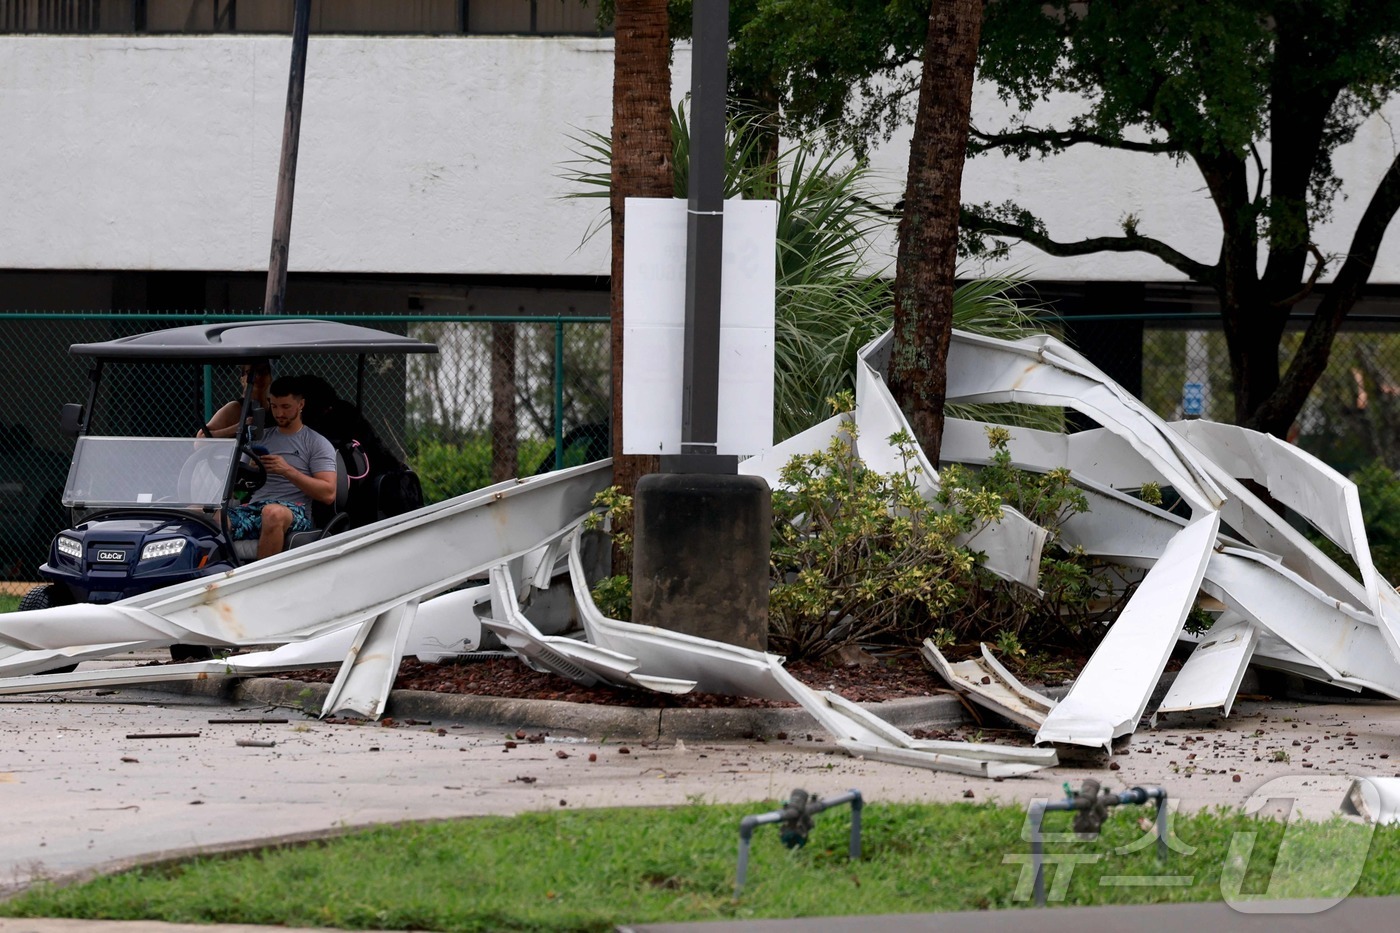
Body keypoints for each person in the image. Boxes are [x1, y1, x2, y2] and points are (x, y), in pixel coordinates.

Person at [226, 377, 338, 559]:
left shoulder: (316, 443)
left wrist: (287, 470)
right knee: (209, 517)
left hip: (294, 511)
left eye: (286, 407)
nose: (279, 413)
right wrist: (251, 470)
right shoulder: (261, 438)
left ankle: (262, 579)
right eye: (274, 406)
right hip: (255, 507)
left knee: (273, 512)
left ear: (301, 404)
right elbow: (238, 485)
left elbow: (328, 493)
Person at [201, 359, 272, 439]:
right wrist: (239, 427)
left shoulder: (276, 407)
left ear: (270, 378)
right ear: (242, 380)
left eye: (263, 372)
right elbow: (201, 438)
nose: (257, 376)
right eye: (250, 373)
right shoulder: (235, 408)